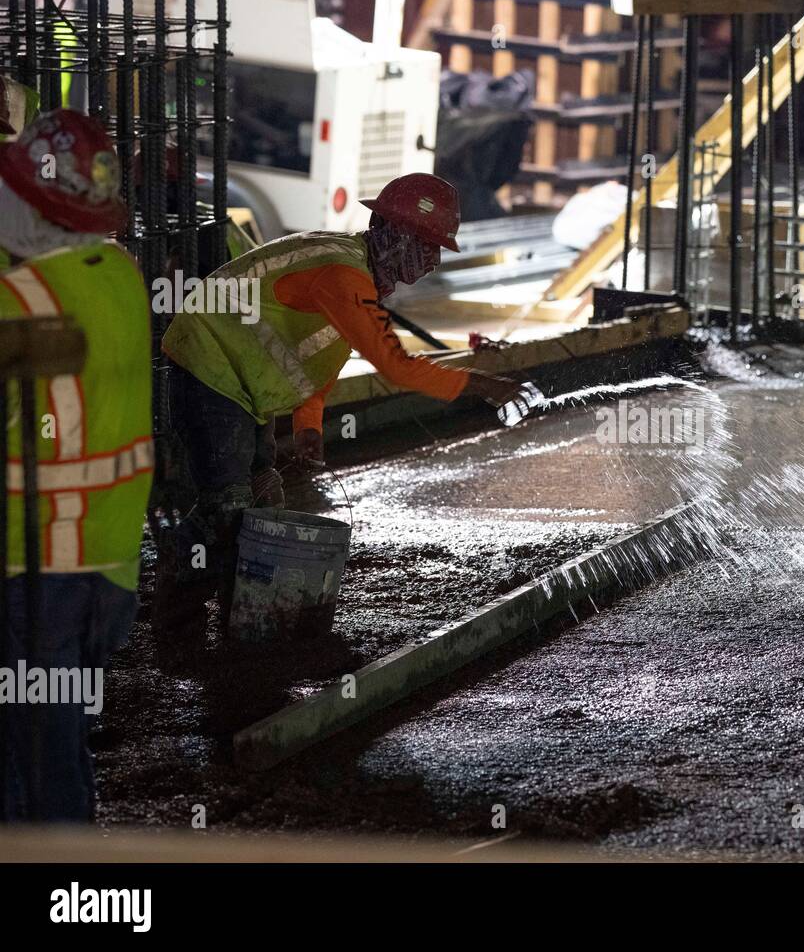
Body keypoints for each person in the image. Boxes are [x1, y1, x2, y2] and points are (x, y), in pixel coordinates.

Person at [155, 173, 524, 636]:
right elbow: (394, 365)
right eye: (426, 246)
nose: (431, 261)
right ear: (394, 235)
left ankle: (245, 622)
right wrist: (480, 385)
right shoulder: (342, 272)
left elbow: (319, 353)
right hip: (210, 368)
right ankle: (177, 626)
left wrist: (308, 422)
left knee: (262, 495)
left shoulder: (358, 270)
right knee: (228, 508)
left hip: (239, 382)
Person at [0, 109, 151, 821]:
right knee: (60, 745)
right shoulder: (120, 274)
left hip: (37, 575)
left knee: (29, 760)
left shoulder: (18, 304)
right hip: (110, 566)